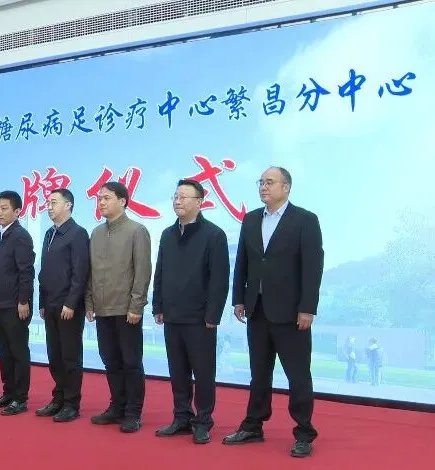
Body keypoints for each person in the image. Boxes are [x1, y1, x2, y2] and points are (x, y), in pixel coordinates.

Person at [223, 167, 323, 459]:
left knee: (298, 376)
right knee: (259, 374)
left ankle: (304, 432)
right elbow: (242, 261)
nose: (263, 187)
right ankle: (253, 425)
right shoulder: (252, 219)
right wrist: (239, 299)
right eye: (261, 182)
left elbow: (313, 267)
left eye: (270, 182)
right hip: (257, 310)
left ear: (286, 187)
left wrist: (307, 308)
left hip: (292, 313)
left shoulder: (305, 220)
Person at [152, 179, 230, 444]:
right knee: (178, 371)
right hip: (172, 314)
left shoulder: (214, 235)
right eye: (175, 196)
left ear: (200, 202)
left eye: (184, 197)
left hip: (200, 318)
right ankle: (181, 417)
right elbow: (160, 272)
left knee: (203, 372)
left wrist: (213, 315)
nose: (178, 201)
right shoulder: (167, 234)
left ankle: (203, 421)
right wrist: (158, 305)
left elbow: (219, 279)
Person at [85, 181, 152, 433]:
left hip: (126, 310)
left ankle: (133, 412)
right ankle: (117, 406)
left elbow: (142, 271)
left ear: (122, 201)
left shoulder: (137, 231)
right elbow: (90, 271)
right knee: (110, 361)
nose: (101, 202)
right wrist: (89, 302)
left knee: (131, 362)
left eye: (107, 198)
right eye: (99, 198)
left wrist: (136, 305)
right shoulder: (96, 233)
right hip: (102, 308)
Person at [35, 188, 89, 423]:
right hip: (50, 304)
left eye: (54, 202)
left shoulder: (78, 233)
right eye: (48, 202)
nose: (49, 206)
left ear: (68, 205)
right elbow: (43, 271)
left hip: (68, 306)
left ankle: (71, 403)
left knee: (70, 355)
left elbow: (80, 272)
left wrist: (71, 302)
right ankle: (58, 398)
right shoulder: (49, 233)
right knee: (54, 355)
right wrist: (42, 301)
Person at [0, 190, 35, 416]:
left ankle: (20, 398)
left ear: (17, 211)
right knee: (4, 351)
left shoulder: (20, 236)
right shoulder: (3, 234)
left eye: (4, 208)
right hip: (2, 304)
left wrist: (23, 301)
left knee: (18, 352)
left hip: (16, 305)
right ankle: (8, 392)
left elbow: (26, 272)